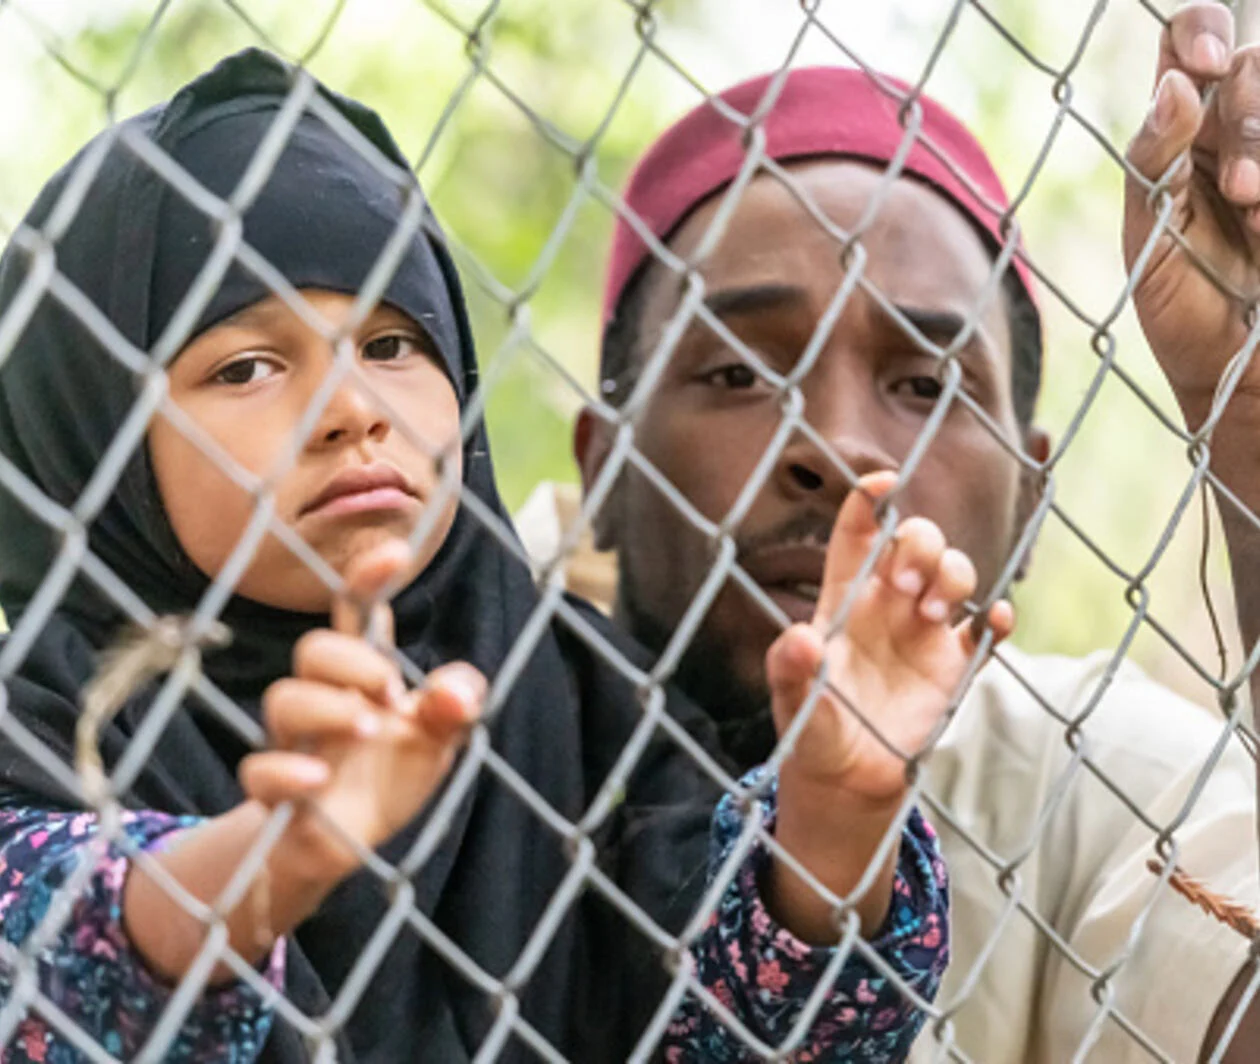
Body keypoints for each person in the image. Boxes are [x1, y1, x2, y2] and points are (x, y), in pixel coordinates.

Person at [0, 47, 1003, 1063]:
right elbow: (41, 950)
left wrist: (836, 812)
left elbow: (743, 1023)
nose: (355, 410)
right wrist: (258, 868)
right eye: (248, 364)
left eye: (394, 345)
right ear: (93, 431)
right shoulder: (37, 736)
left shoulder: (584, 692)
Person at [519, 16, 1260, 1061]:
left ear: (1032, 496)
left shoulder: (1096, 777)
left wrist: (1250, 415)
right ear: (602, 463)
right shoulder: (439, 703)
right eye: (739, 371)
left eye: (924, 383)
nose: (836, 444)